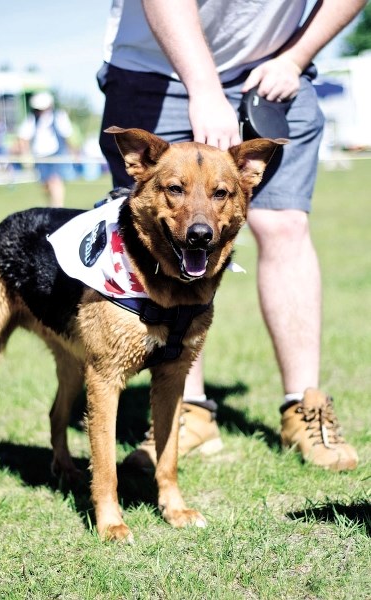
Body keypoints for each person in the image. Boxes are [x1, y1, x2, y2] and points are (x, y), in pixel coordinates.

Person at [97, 0, 365, 472]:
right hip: (156, 65)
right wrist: (203, 88)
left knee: (285, 222)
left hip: (276, 70)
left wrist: (296, 58)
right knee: (163, 237)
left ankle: (304, 408)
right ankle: (186, 412)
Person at [18, 92, 73, 207]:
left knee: (55, 181)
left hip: (56, 154)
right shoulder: (32, 119)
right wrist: (25, 154)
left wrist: (72, 151)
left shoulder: (59, 116)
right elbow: (23, 137)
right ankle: (53, 206)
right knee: (46, 185)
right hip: (40, 156)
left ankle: (58, 208)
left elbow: (67, 135)